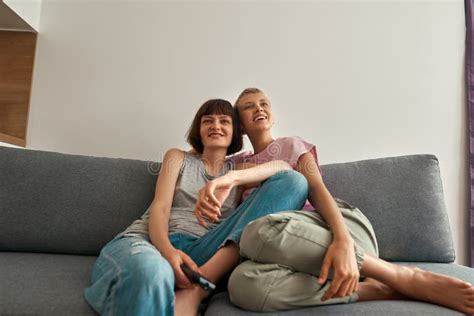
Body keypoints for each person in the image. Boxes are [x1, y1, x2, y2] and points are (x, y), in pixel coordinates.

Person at [195, 88, 474, 314]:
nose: (259, 108)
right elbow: (199, 164)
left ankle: (402, 276)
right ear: (240, 126)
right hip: (281, 255)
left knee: (255, 231)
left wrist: (342, 239)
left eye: (264, 103)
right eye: (248, 106)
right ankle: (375, 290)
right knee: (241, 285)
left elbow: (316, 189)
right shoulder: (236, 165)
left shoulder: (292, 145)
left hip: (330, 228)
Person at [83, 98, 309, 316]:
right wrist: (168, 252)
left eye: (224, 121)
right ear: (198, 130)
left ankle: (198, 286)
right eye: (207, 121)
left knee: (295, 182)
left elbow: (285, 170)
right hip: (151, 242)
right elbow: (160, 208)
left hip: (203, 251)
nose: (216, 126)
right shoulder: (177, 157)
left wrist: (231, 178)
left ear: (235, 132)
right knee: (152, 273)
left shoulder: (240, 170)